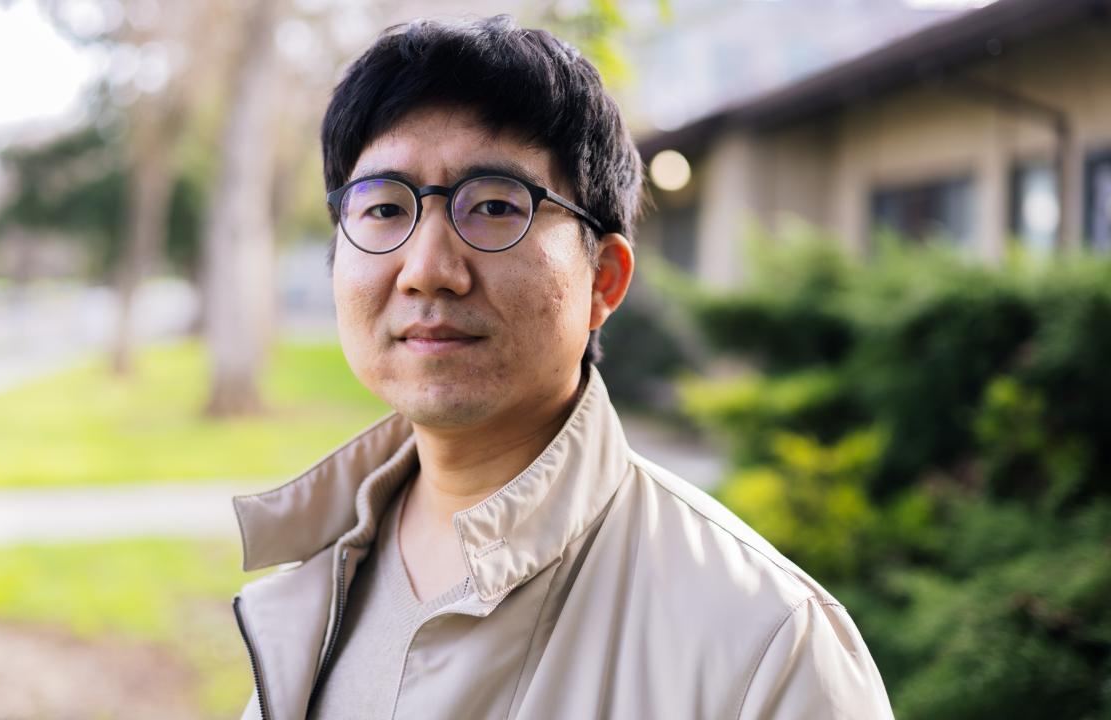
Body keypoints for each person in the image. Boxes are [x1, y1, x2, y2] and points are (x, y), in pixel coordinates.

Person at [231, 15, 893, 720]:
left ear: (604, 279)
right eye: (385, 207)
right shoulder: (321, 574)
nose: (427, 270)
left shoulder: (768, 646)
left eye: (492, 206)